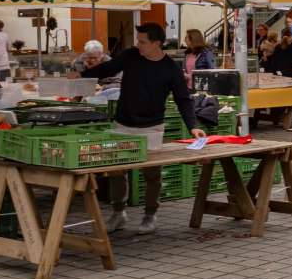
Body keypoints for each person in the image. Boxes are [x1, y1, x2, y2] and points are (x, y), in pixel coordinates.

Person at [77, 23, 205, 234]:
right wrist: (80, 75)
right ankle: (118, 213)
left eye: (143, 41)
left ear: (156, 43)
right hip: (123, 122)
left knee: (152, 174)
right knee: (117, 171)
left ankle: (150, 215)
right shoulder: (130, 56)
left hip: (152, 126)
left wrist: (193, 126)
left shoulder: (170, 68)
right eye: (138, 40)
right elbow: (106, 69)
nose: (138, 44)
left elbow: (183, 99)